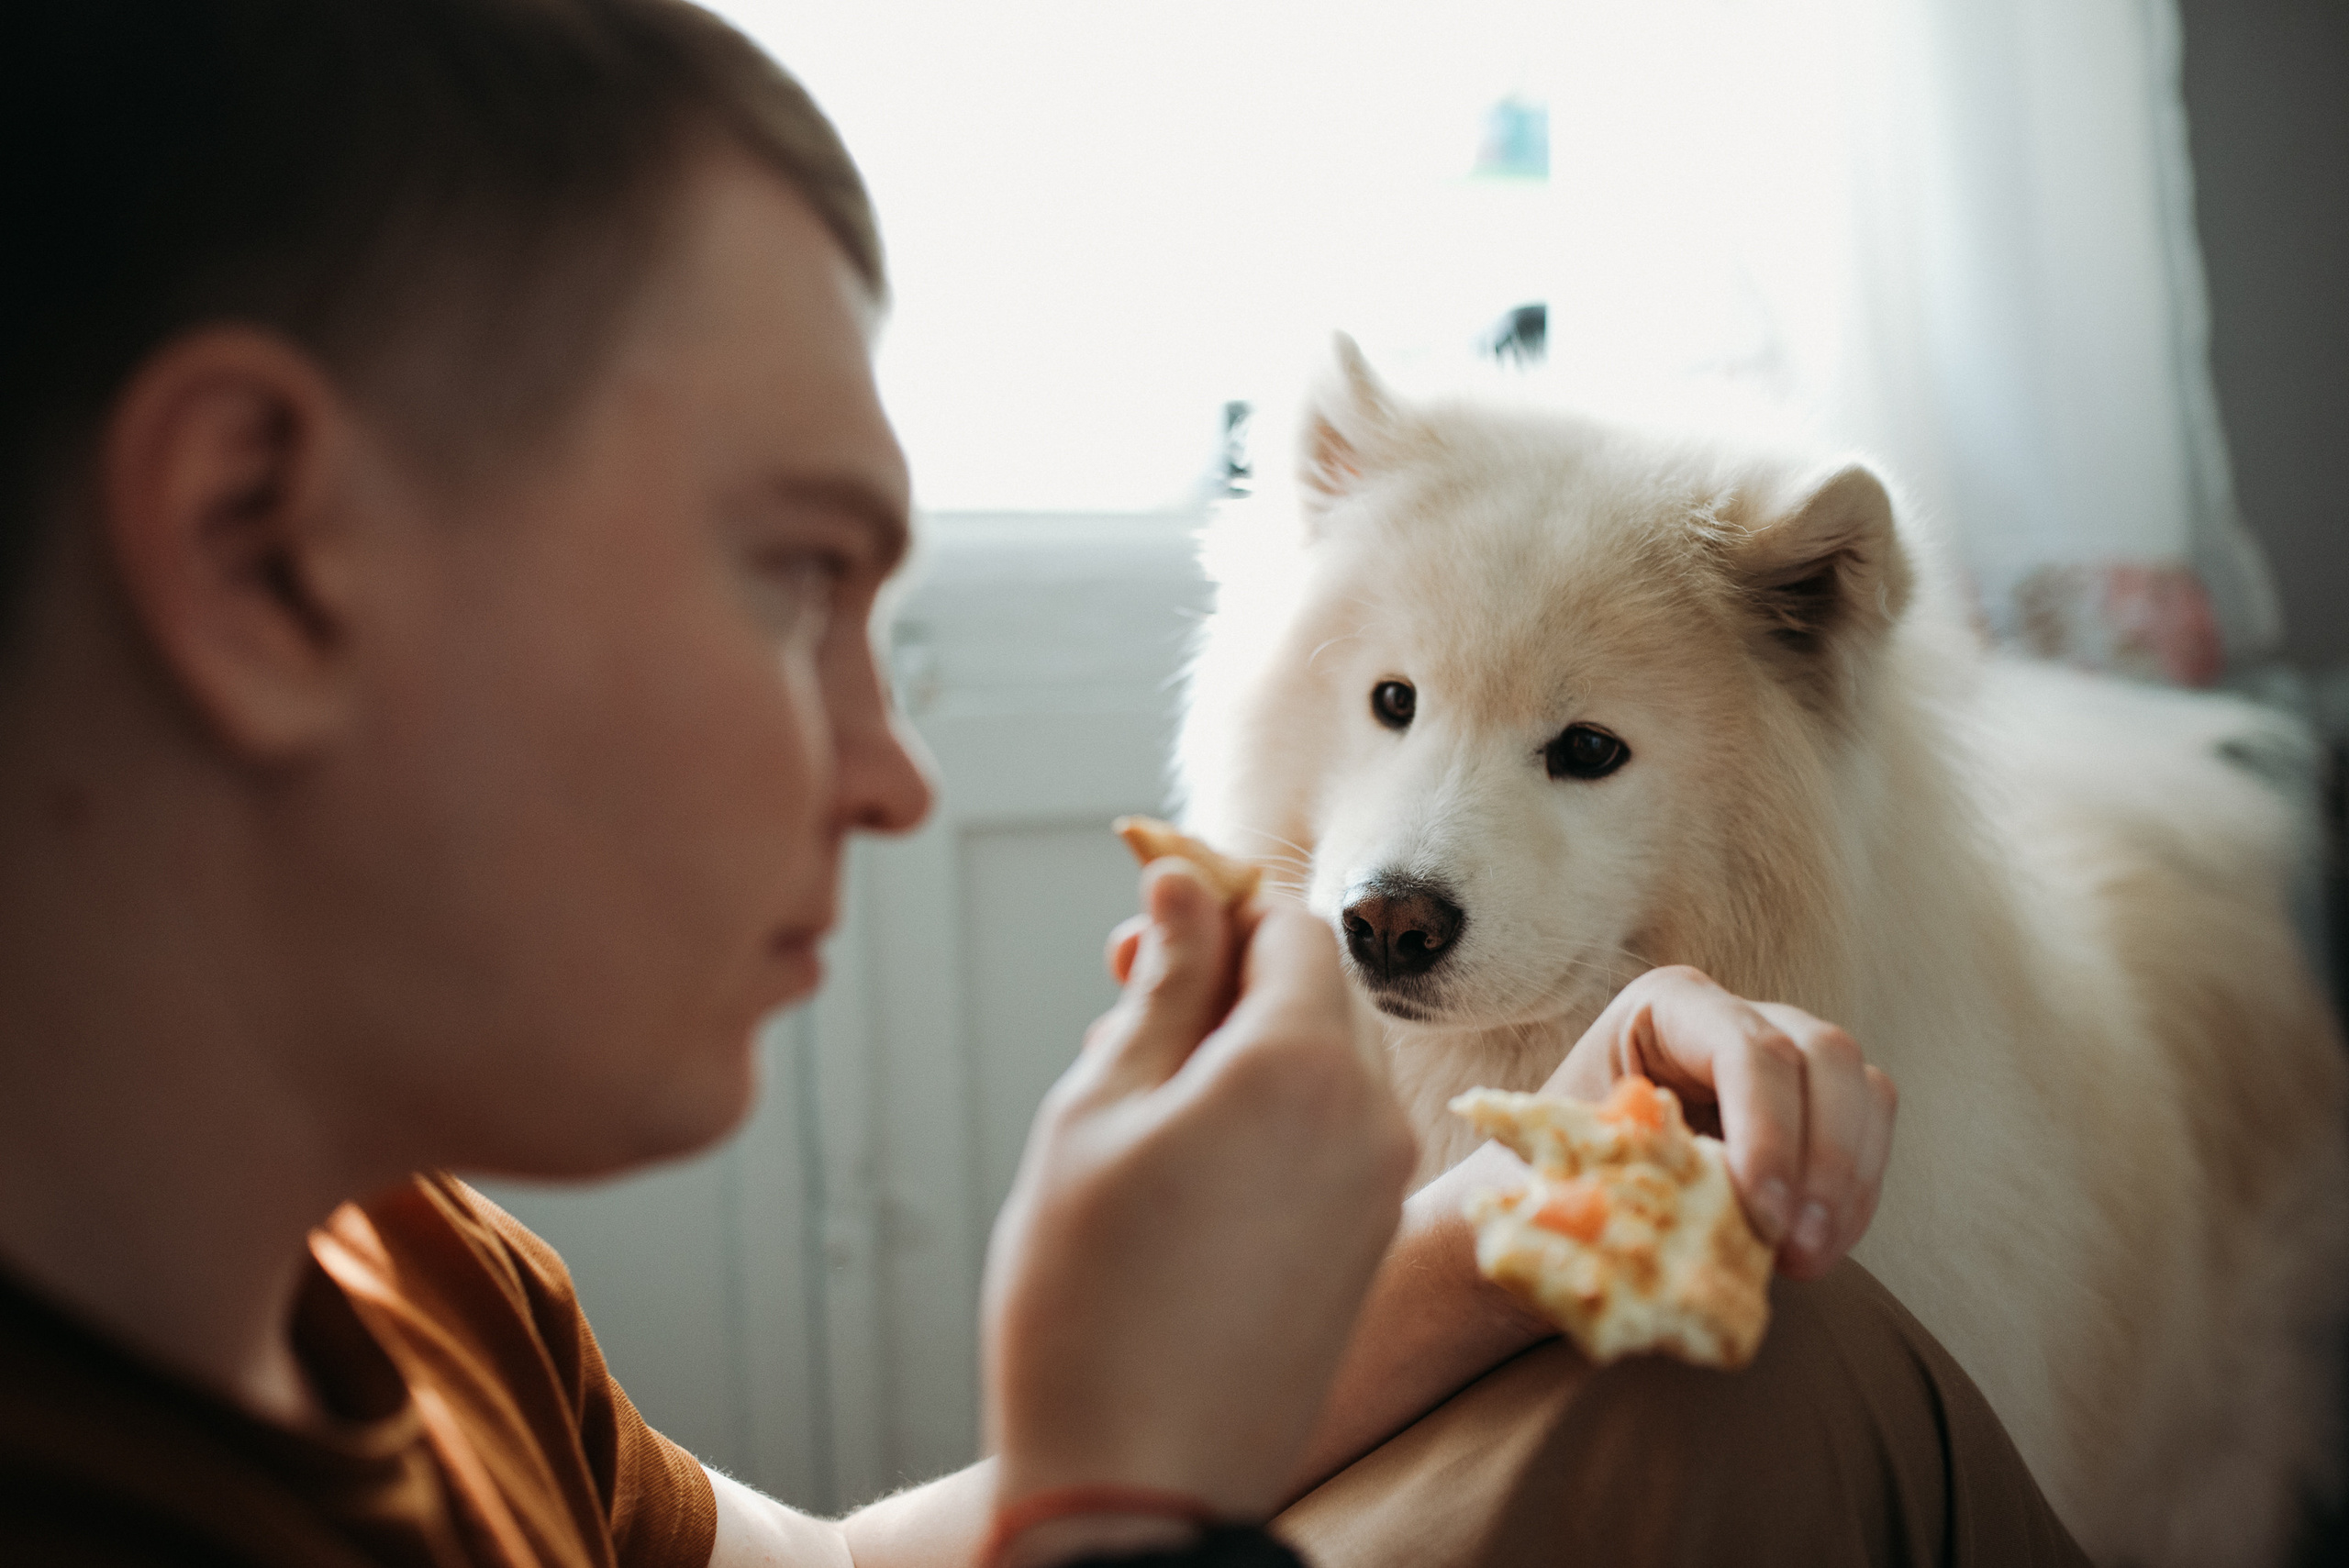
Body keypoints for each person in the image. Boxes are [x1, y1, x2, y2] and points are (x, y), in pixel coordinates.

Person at [0, 3, 2086, 1565]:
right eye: (792, 579)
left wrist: (1534, 1202)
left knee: (1770, 1383)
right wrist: (1106, 1504)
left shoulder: (408, 1265)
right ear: (264, 550)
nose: (898, 779)